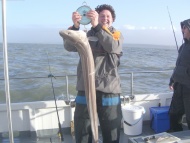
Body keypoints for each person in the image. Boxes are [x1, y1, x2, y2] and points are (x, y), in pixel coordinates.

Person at [63, 4, 123, 143]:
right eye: (101, 16)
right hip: (85, 89)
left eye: (108, 16)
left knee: (111, 131)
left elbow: (112, 47)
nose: (105, 18)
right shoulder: (85, 35)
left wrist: (97, 27)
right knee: (82, 130)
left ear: (112, 20)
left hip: (109, 90)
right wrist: (75, 26)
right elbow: (68, 46)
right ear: (93, 17)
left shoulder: (116, 35)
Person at [168, 18, 190, 132]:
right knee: (173, 114)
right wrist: (172, 80)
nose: (183, 30)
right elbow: (177, 67)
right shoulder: (182, 47)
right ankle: (175, 134)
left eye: (185, 27)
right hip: (179, 86)